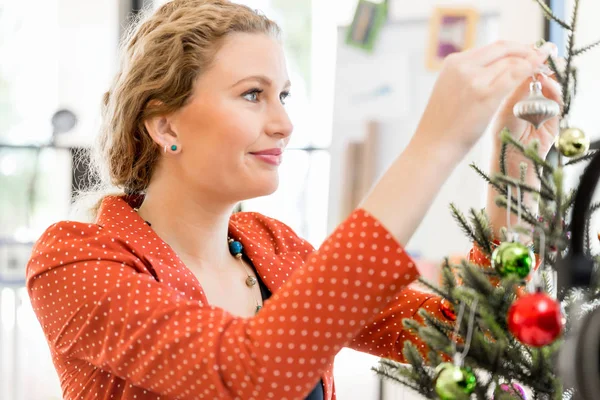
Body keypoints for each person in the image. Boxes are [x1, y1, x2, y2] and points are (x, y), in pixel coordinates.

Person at [25, 0, 561, 399]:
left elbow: (455, 335)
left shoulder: (275, 248)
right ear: (165, 122)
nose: (284, 124)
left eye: (283, 95)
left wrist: (514, 177)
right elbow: (250, 373)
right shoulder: (77, 259)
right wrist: (434, 146)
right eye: (252, 94)